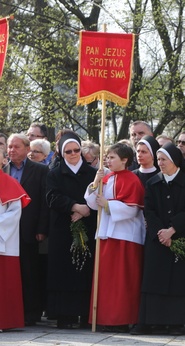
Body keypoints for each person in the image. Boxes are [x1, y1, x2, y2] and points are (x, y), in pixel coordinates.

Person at [131, 143, 185, 336]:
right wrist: (160, 233)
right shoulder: (153, 182)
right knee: (155, 278)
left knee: (179, 279)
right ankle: (152, 319)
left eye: (163, 159)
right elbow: (149, 210)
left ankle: (175, 321)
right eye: (159, 159)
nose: (160, 163)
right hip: (158, 238)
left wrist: (172, 229)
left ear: (174, 161)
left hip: (181, 235)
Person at [84, 143, 145, 332]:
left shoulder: (133, 180)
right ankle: (103, 317)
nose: (107, 161)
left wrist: (108, 205)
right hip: (106, 233)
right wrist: (95, 183)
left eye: (112, 157)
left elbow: (133, 209)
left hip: (124, 236)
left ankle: (120, 318)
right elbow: (93, 205)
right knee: (105, 279)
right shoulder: (106, 177)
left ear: (124, 160)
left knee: (121, 280)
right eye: (107, 157)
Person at [46, 132, 97, 329]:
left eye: (76, 150)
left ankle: (85, 313)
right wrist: (74, 207)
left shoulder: (93, 173)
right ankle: (64, 315)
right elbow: (52, 197)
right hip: (62, 227)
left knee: (85, 268)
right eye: (68, 151)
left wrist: (86, 210)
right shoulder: (54, 174)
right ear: (61, 152)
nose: (73, 154)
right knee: (63, 270)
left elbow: (98, 194)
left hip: (88, 224)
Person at [4, 133, 49, 326]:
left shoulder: (40, 170)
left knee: (30, 271)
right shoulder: (3, 170)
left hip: (29, 228)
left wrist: (42, 228)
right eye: (9, 147)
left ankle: (31, 313)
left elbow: (44, 202)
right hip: (6, 232)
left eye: (16, 147)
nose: (12, 150)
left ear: (27, 149)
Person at [0, 150, 31, 332]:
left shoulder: (10, 183)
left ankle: (3, 320)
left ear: (4, 160)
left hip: (4, 240)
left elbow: (15, 213)